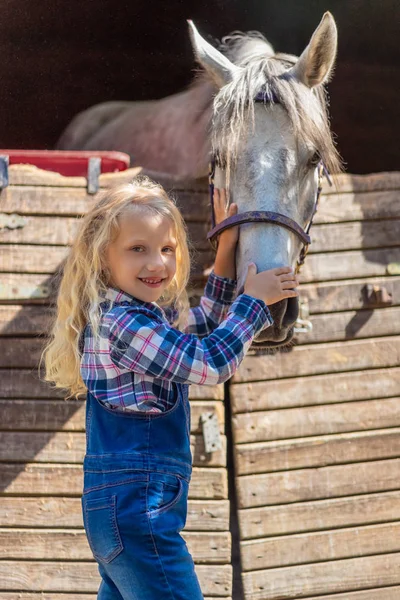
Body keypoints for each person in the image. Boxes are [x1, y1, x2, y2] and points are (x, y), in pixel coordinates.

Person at [42, 175, 298, 600]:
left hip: (123, 515)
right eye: (137, 249)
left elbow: (200, 330)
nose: (157, 263)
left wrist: (226, 253)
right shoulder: (127, 325)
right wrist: (252, 302)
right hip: (139, 514)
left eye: (167, 249)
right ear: (103, 258)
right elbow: (213, 361)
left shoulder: (127, 315)